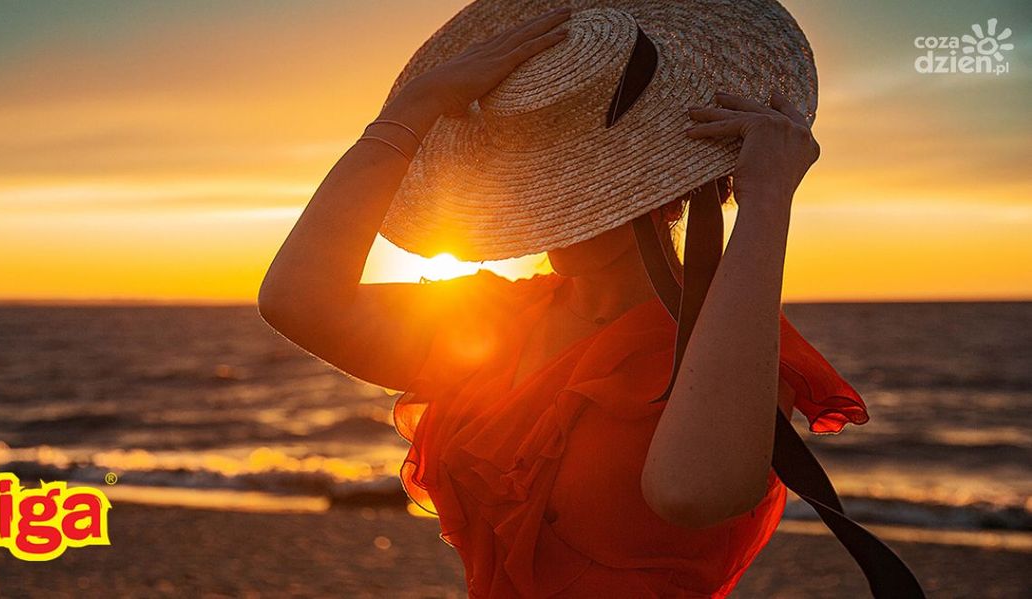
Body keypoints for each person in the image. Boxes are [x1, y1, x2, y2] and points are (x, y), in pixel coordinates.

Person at [259, 2, 872, 597]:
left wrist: (767, 204)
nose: (557, 208)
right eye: (539, 169)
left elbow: (692, 492)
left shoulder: (732, 348)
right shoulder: (493, 320)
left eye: (582, 172)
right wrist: (415, 107)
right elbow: (298, 301)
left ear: (680, 180)